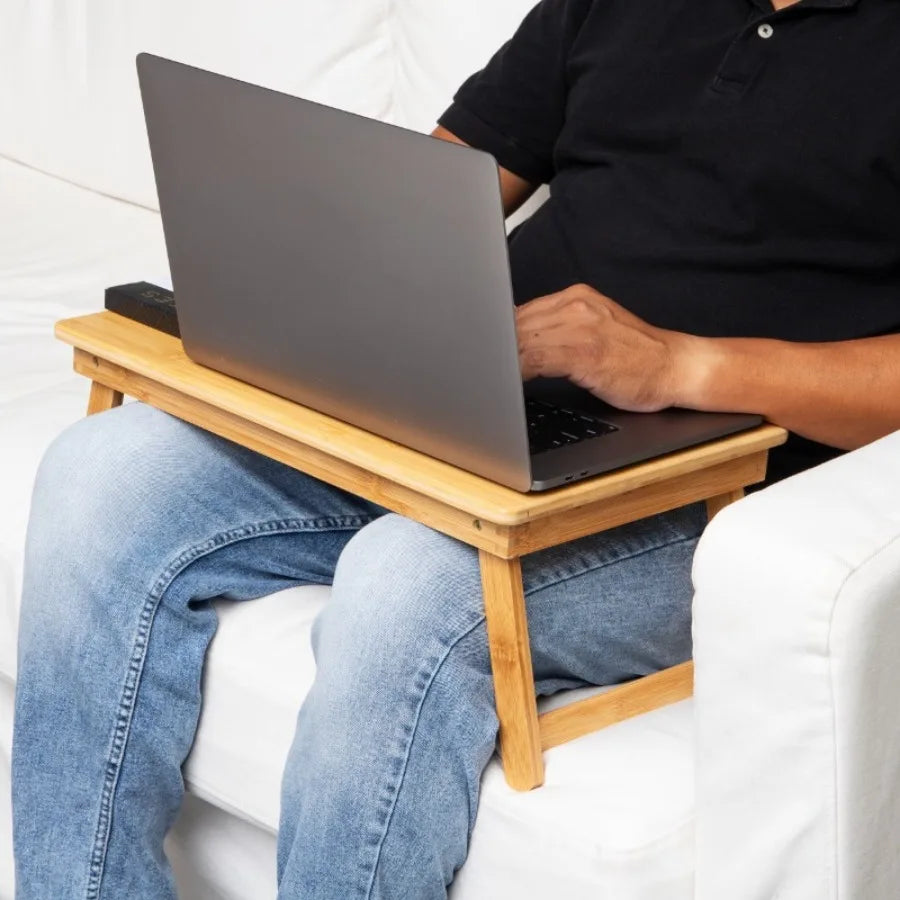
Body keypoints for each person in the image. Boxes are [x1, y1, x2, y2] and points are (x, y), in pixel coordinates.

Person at [12, 0, 900, 896]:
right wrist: (331, 270)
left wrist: (678, 365)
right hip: (472, 395)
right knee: (102, 475)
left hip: (711, 486)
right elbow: (439, 181)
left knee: (407, 582)